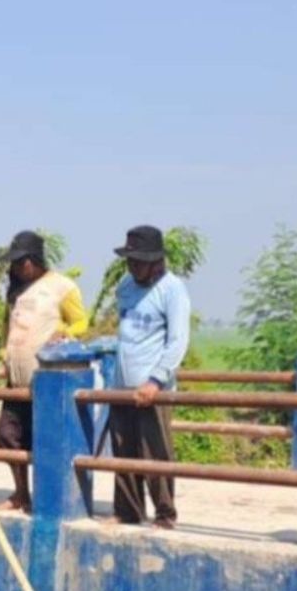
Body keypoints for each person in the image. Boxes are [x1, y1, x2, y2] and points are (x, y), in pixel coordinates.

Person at [0, 230, 88, 512]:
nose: (18, 268)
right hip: (16, 381)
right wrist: (5, 354)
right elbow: (7, 329)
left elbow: (82, 322)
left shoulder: (62, 287)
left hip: (44, 381)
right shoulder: (15, 293)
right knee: (7, 436)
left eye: (22, 262)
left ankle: (50, 499)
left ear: (34, 260)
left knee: (44, 439)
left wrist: (65, 332)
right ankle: (21, 493)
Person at [109, 225, 191, 530]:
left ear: (156, 262)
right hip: (122, 385)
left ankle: (165, 514)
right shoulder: (125, 287)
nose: (132, 267)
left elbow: (177, 341)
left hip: (152, 387)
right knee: (124, 451)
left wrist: (155, 380)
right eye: (129, 261)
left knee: (154, 452)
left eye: (138, 261)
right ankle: (128, 511)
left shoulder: (172, 290)